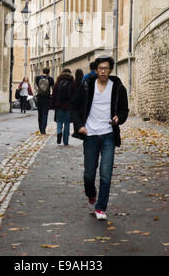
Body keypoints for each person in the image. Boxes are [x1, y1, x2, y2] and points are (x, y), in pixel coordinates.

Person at [71, 56, 128, 220]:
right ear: (96, 70)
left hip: (108, 135)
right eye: (101, 68)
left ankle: (101, 207)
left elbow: (124, 110)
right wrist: (79, 125)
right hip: (90, 135)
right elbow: (74, 106)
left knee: (105, 173)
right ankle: (91, 193)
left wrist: (119, 118)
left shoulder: (117, 87)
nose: (103, 71)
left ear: (110, 70)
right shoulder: (87, 86)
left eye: (106, 68)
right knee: (89, 174)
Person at [51, 69, 76, 146]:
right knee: (67, 123)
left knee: (59, 121)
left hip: (59, 105)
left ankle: (59, 133)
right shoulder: (72, 82)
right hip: (68, 106)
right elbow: (74, 94)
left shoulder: (58, 82)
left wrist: (53, 105)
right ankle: (66, 141)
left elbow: (54, 94)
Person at [35, 68, 54, 134]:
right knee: (45, 114)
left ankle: (40, 128)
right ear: (49, 72)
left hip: (39, 98)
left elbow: (38, 86)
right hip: (47, 98)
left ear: (42, 71)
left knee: (40, 114)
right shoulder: (50, 79)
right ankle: (43, 129)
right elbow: (52, 88)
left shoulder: (37, 78)